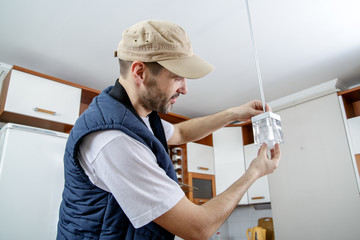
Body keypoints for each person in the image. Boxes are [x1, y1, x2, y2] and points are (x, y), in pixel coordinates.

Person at [57, 20, 281, 240]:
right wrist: (255, 172)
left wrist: (234, 114)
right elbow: (199, 228)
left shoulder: (136, 115)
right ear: (139, 72)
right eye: (177, 77)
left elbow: (180, 133)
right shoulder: (115, 142)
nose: (185, 89)